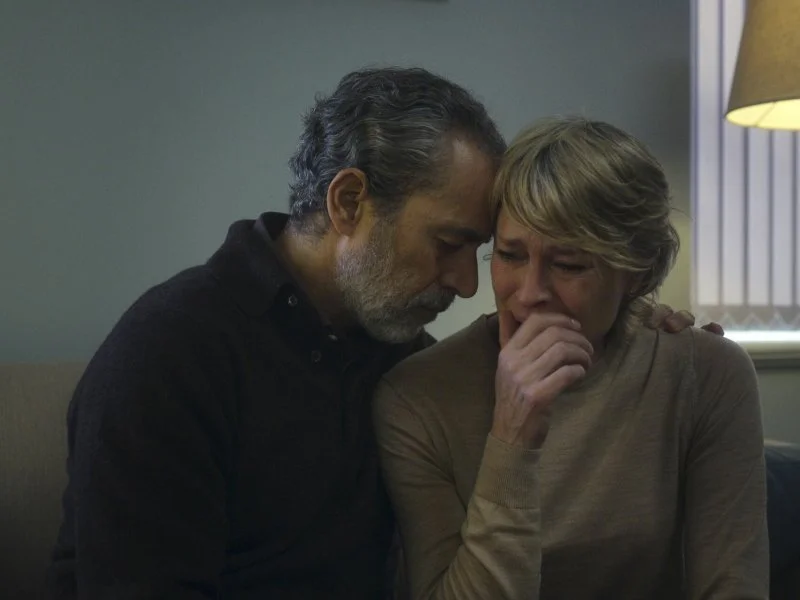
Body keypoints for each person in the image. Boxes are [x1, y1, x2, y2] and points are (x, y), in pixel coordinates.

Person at [48, 68, 703, 599]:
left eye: (479, 251)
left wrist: (626, 320)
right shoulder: (169, 354)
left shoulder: (400, 356)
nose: (466, 284)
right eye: (448, 243)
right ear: (349, 202)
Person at [372, 116, 768, 599]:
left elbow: (733, 585)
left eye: (569, 265)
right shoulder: (416, 399)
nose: (529, 293)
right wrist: (512, 440)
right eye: (510, 255)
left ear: (635, 274)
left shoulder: (705, 374)